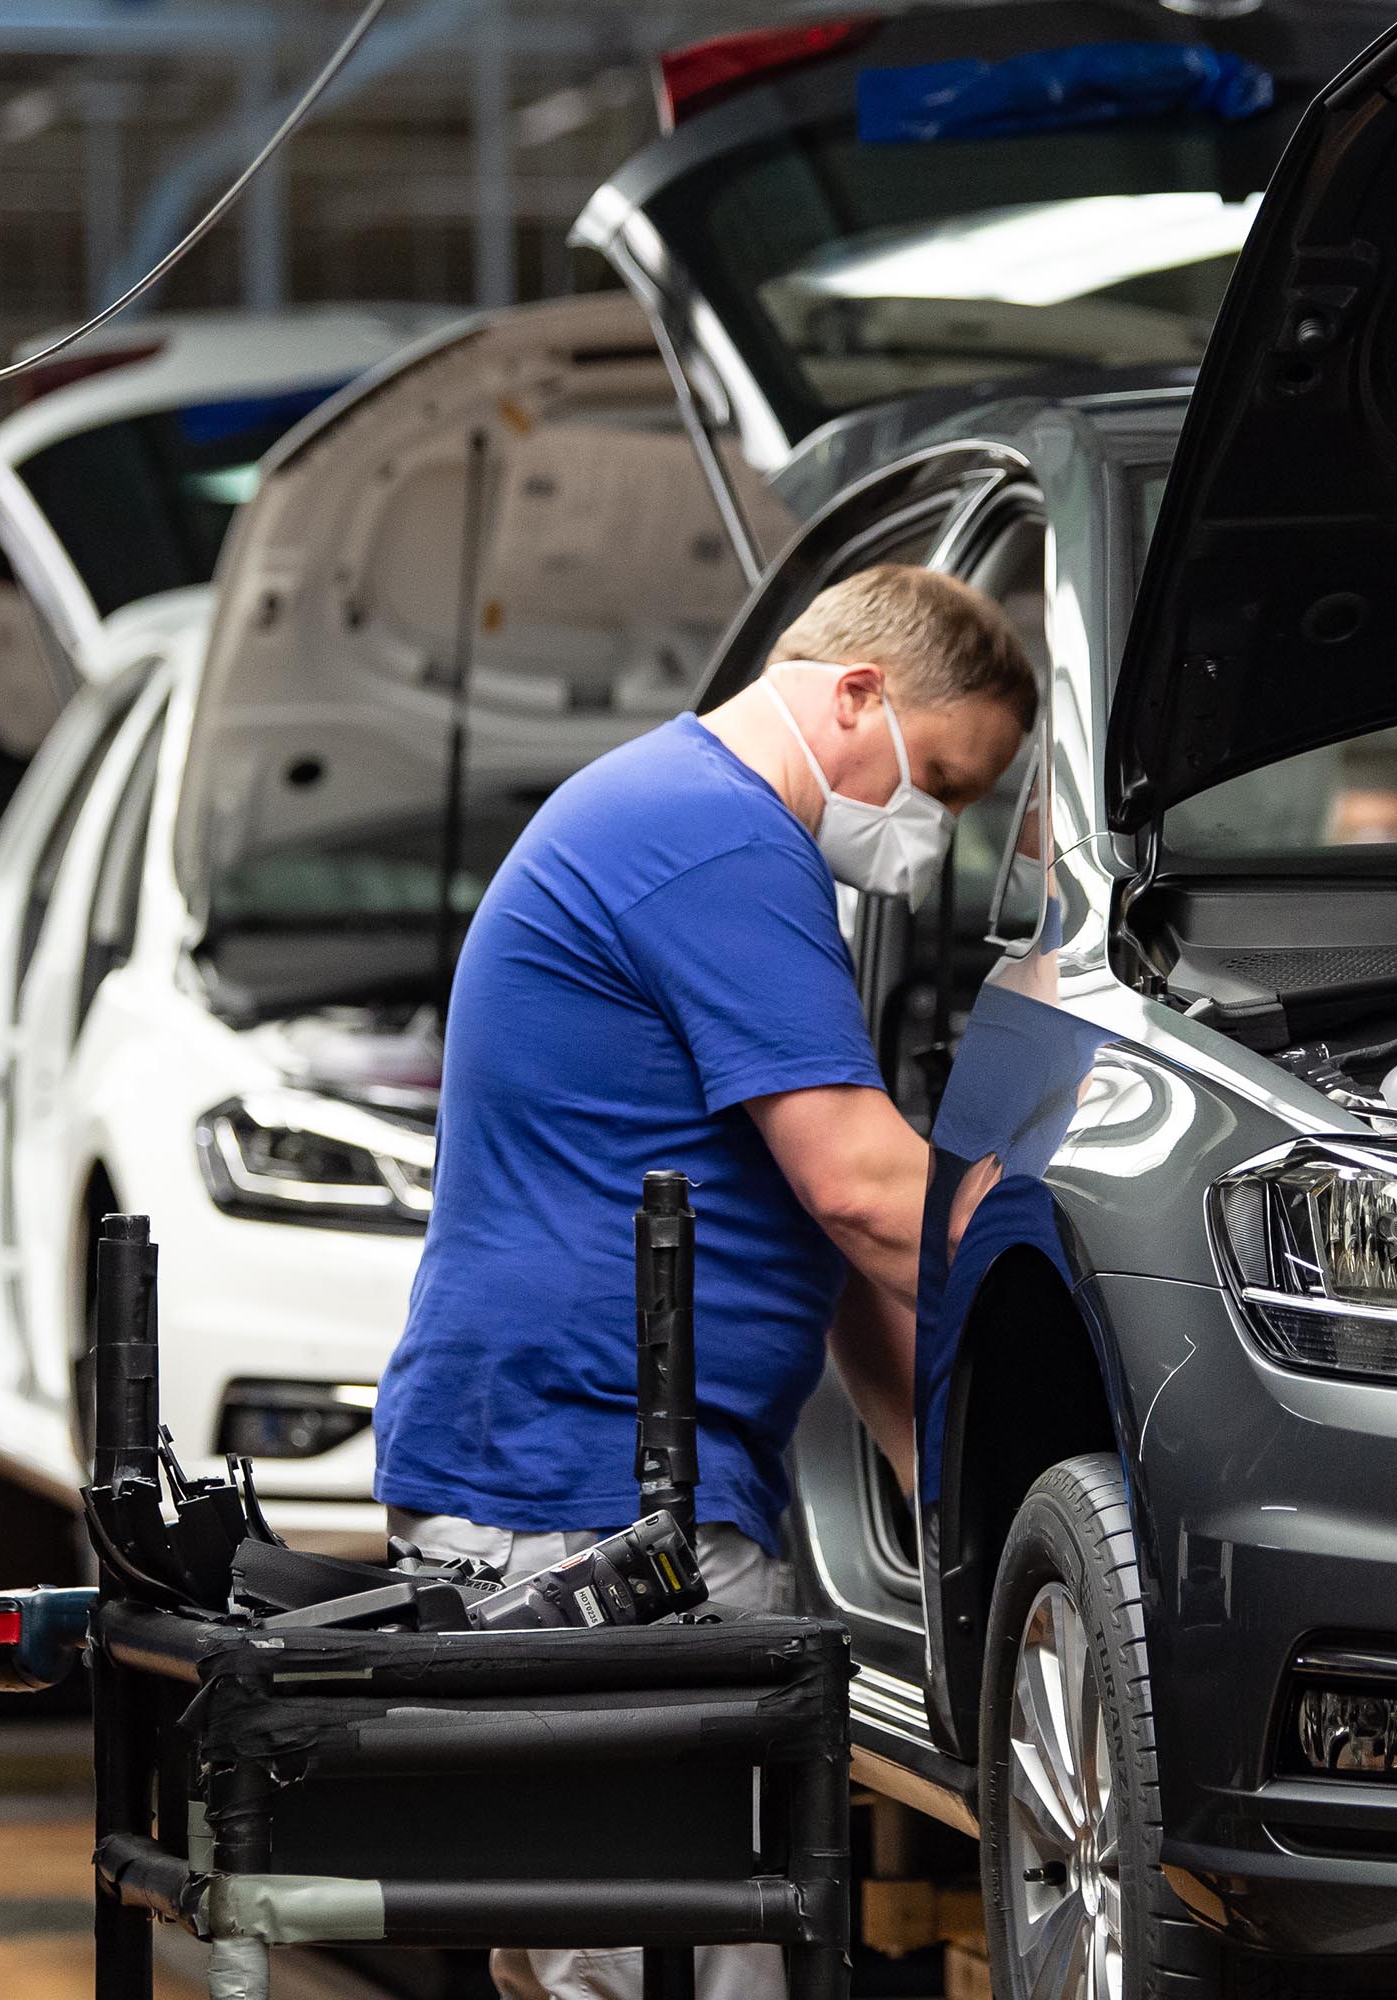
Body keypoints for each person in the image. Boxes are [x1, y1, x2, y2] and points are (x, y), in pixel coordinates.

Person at [374, 564, 1034, 2000]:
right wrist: (1061, 1244)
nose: (934, 833)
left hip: (602, 1477)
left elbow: (842, 1252)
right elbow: (863, 1186)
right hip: (582, 1493)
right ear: (857, 694)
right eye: (941, 783)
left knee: (650, 1949)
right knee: (663, 1963)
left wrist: (954, 1487)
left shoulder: (694, 826)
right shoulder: (712, 840)